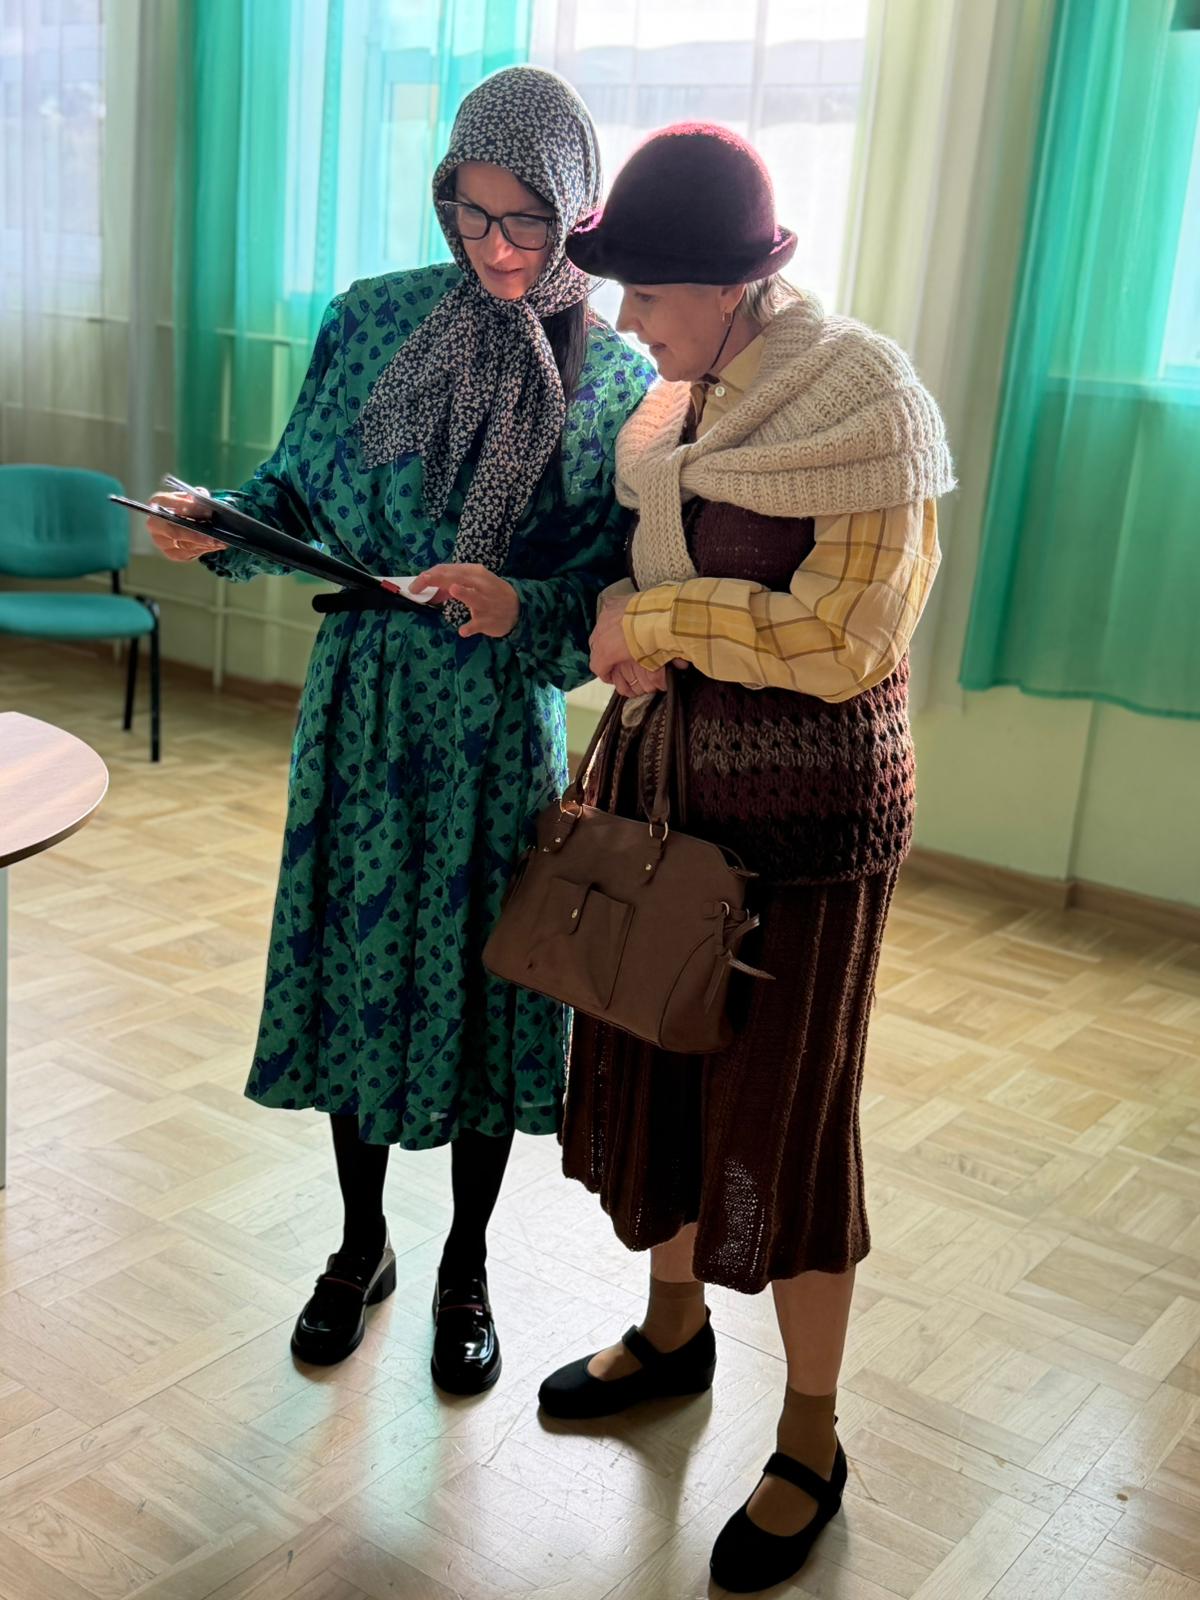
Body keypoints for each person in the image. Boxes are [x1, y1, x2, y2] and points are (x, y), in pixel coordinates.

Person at [146, 67, 653, 1395]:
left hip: (496, 720)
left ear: (577, 211)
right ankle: (360, 1244)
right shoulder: (371, 320)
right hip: (362, 706)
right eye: (471, 214)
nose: (496, 247)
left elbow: (615, 590)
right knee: (358, 969)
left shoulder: (618, 378)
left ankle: (466, 1265)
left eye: (525, 219)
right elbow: (293, 494)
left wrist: (518, 599)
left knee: (493, 982)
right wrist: (215, 526)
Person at [537, 124, 954, 1593]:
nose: (628, 319)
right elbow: (656, 577)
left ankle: (811, 1440)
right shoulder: (680, 405)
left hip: (809, 835)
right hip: (673, 805)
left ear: (729, 286)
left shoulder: (864, 405)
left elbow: (847, 641)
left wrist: (652, 625)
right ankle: (673, 1333)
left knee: (785, 1122)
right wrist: (616, 613)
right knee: (660, 1076)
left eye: (648, 293)